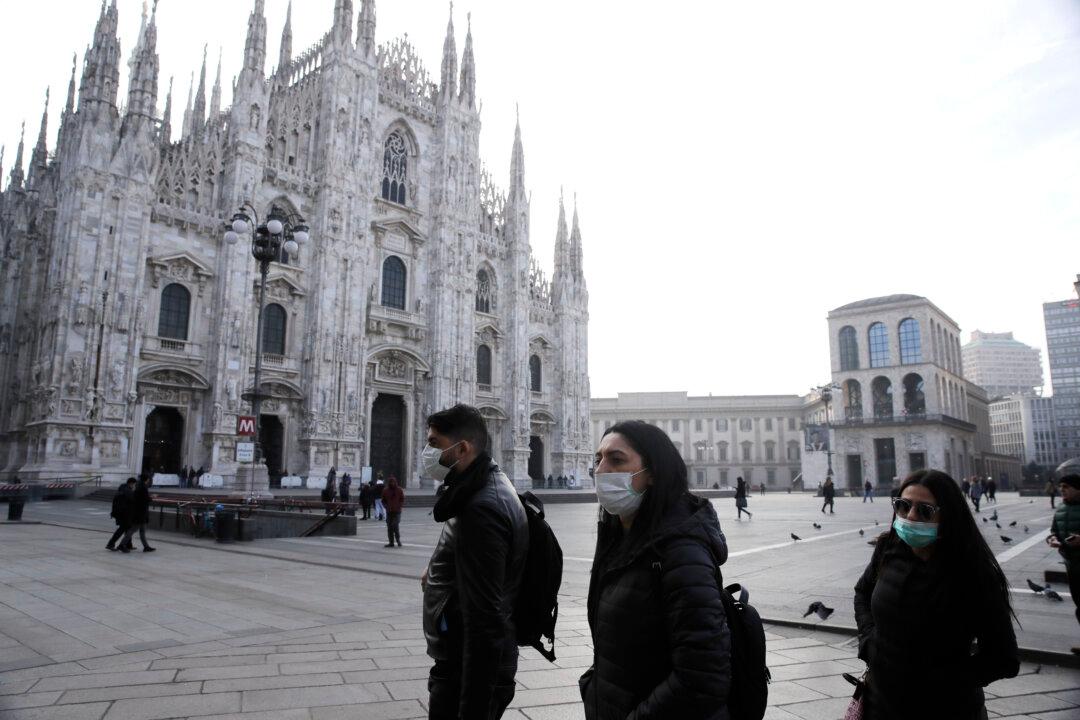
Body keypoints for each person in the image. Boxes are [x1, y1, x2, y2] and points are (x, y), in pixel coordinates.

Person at [580, 420, 731, 718]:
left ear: (652, 473)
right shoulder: (621, 539)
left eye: (616, 459)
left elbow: (703, 676)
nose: (600, 470)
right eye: (598, 459)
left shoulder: (681, 552)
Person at [854, 469, 1019, 719]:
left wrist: (941, 679)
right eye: (903, 505)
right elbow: (862, 593)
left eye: (925, 510)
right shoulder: (889, 548)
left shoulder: (974, 573)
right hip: (880, 704)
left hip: (945, 710)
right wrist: (869, 640)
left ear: (949, 517)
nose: (910, 516)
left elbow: (1004, 659)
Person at [420, 404, 528, 719]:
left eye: (435, 444)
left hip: (467, 667)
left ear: (462, 448)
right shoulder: (481, 487)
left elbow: (485, 620)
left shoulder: (482, 506)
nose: (428, 453)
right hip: (462, 658)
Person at [1047, 474, 1080, 647]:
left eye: (1066, 487)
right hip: (1072, 564)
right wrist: (1052, 538)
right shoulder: (1060, 509)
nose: (1062, 490)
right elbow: (1054, 530)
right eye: (1061, 487)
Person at [121, 476, 155, 553]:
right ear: (146, 480)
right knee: (133, 530)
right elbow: (144, 499)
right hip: (140, 513)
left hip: (140, 513)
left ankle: (146, 546)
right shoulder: (143, 488)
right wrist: (151, 498)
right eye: (148, 480)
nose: (149, 481)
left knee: (142, 531)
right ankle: (122, 545)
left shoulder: (139, 487)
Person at [106, 479, 135, 551]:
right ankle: (111, 544)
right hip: (125, 514)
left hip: (119, 513)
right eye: (134, 485)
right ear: (131, 483)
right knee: (122, 530)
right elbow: (132, 501)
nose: (134, 486)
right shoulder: (127, 491)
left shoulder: (121, 490)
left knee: (127, 529)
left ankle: (128, 545)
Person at [382, 475, 405, 547]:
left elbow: (402, 499)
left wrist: (399, 506)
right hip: (389, 511)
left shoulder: (399, 490)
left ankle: (398, 540)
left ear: (395, 482)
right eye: (391, 482)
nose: (392, 483)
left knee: (395, 525)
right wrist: (386, 506)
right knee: (389, 527)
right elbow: (383, 500)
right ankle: (391, 542)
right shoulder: (385, 490)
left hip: (397, 511)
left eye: (393, 482)